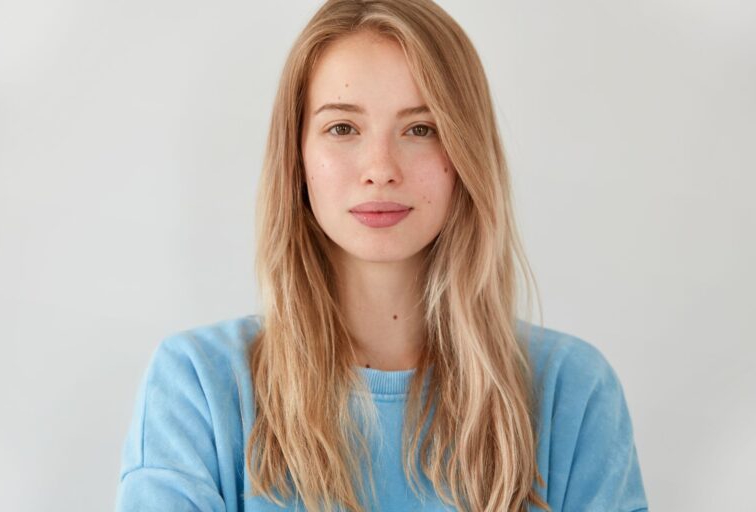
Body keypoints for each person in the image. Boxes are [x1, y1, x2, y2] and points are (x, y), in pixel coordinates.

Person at [115, 1, 649, 511]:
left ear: (465, 154)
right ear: (297, 156)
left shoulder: (572, 393)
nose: (380, 167)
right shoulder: (199, 389)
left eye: (421, 129)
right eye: (342, 128)